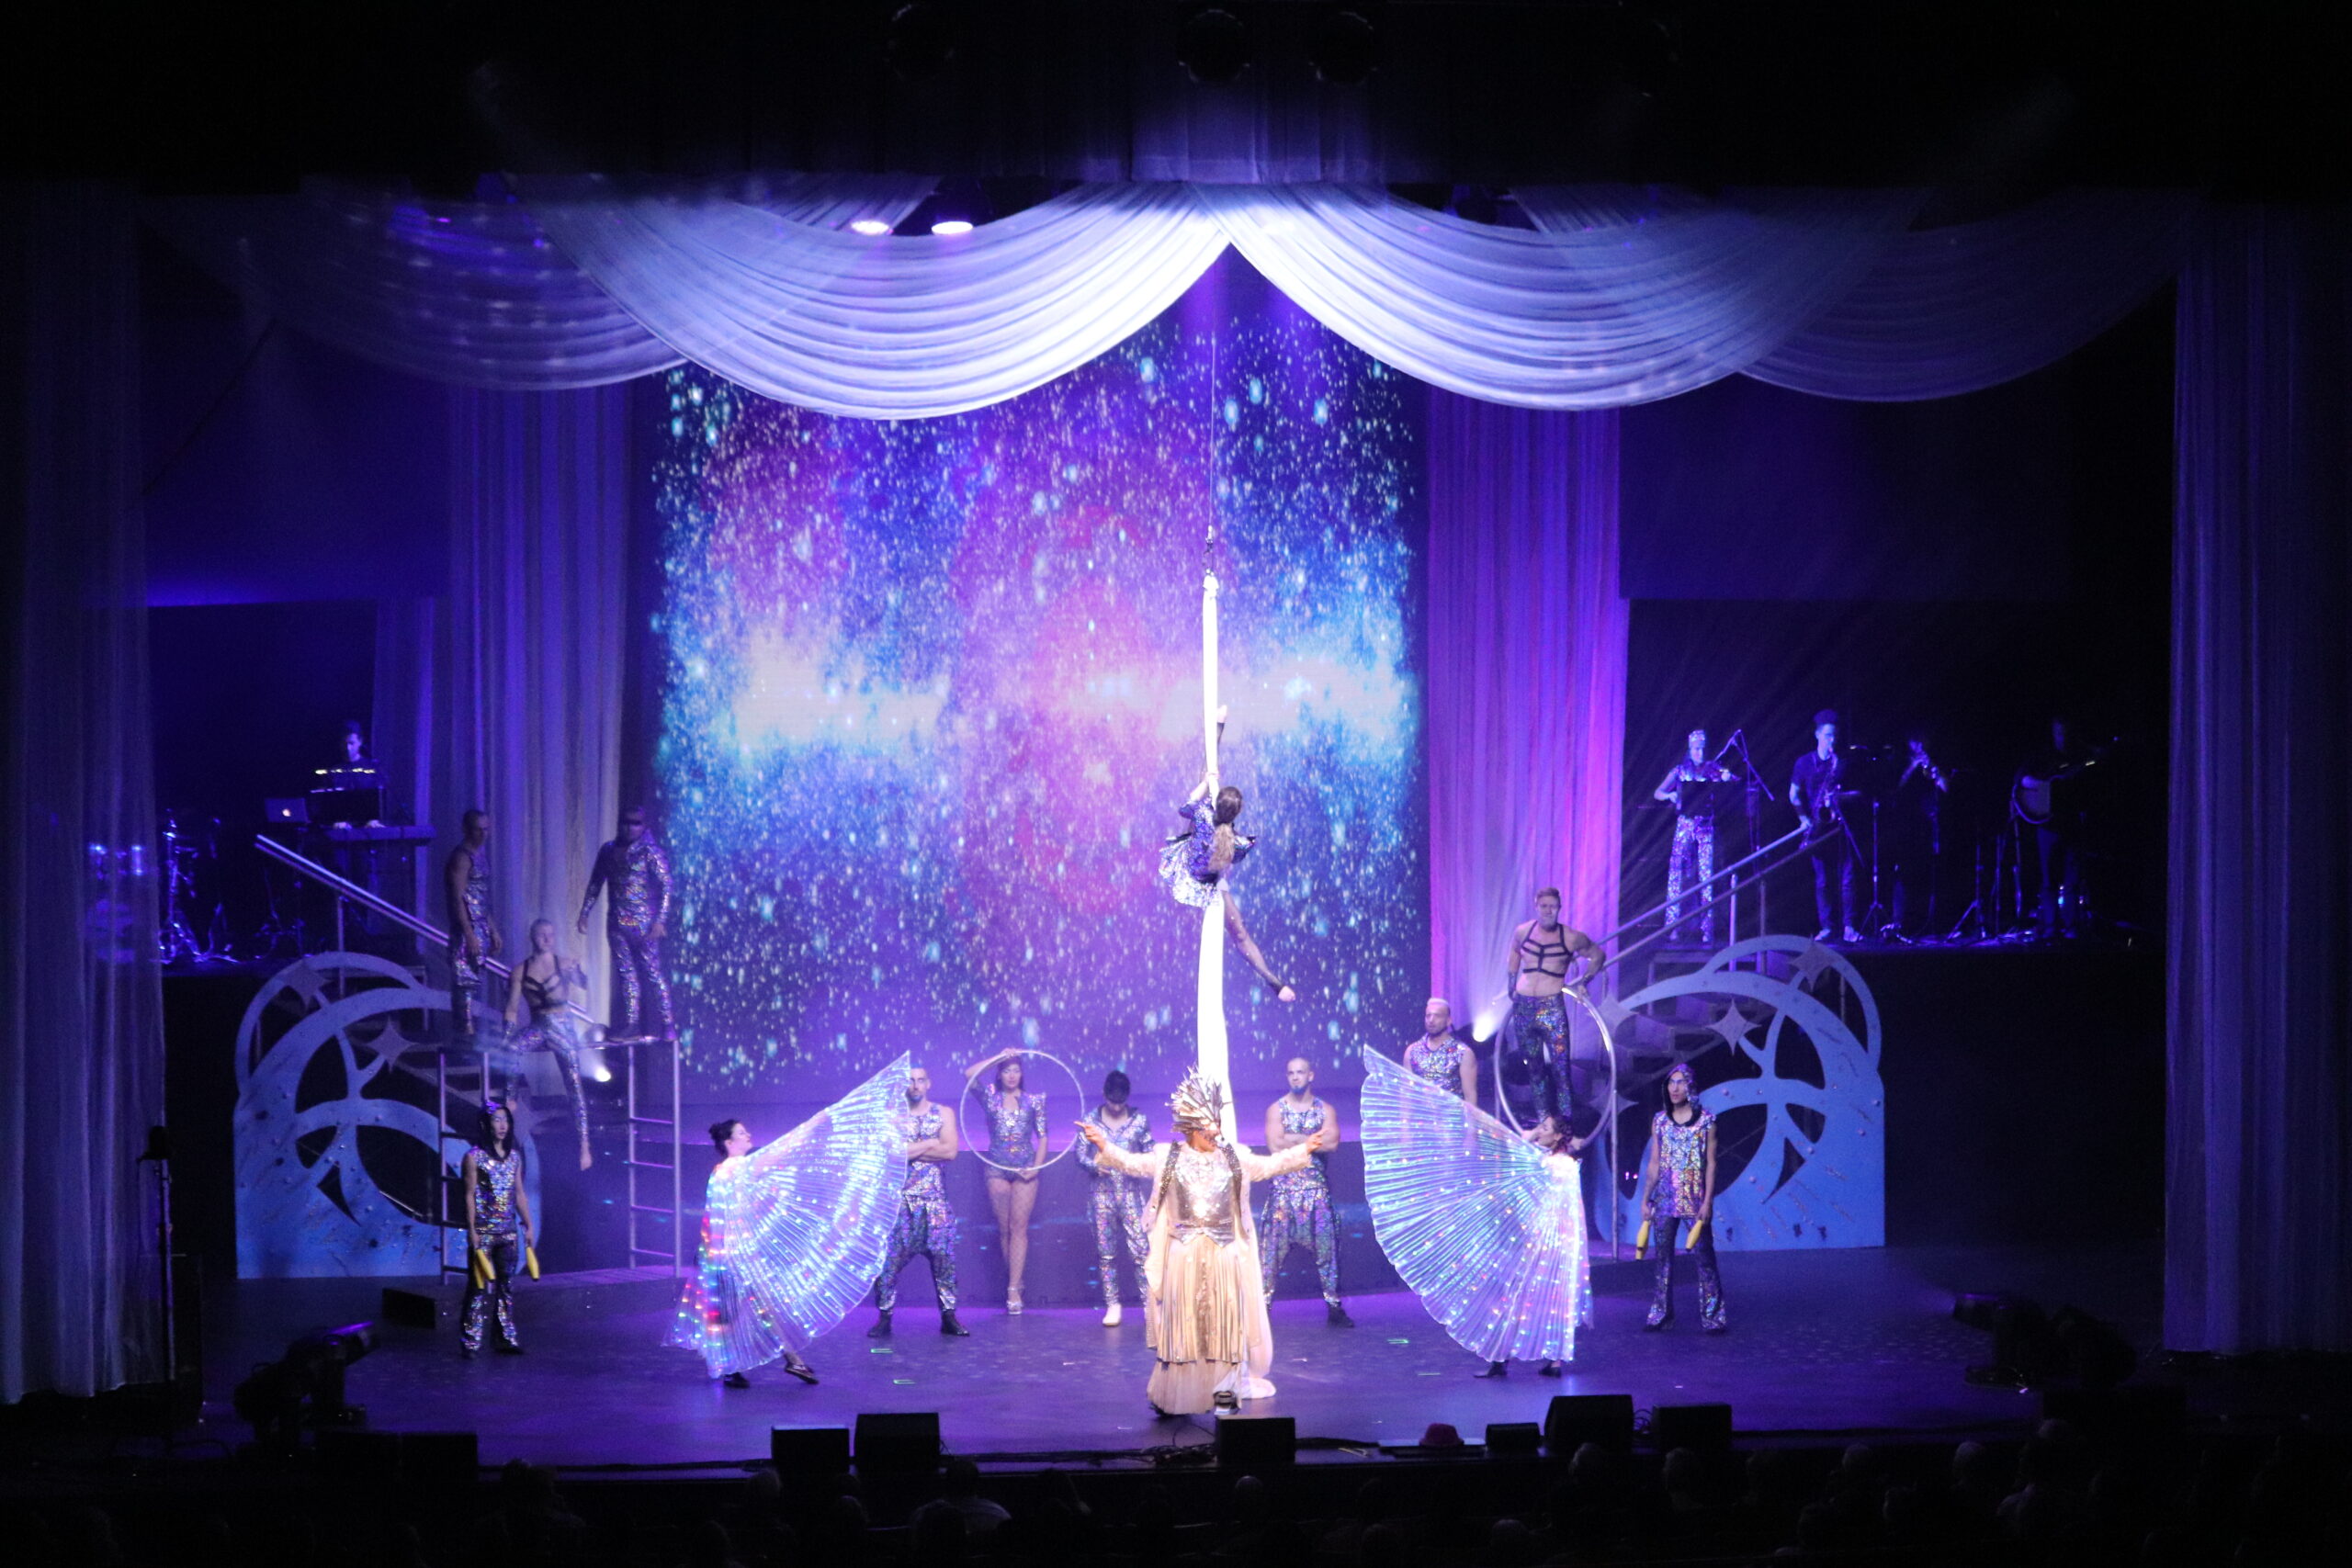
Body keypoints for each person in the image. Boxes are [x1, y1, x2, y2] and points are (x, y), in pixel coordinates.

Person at [1074, 1069, 1326, 1416]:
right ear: (1191, 1127)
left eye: (1217, 1124)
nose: (1216, 1132)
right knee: (1184, 1329)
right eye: (1208, 1126)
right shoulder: (1169, 1157)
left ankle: (1224, 1397)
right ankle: (1173, 1398)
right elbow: (1132, 1163)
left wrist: (1303, 1150)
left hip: (1224, 1254)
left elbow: (1268, 1166)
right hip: (1184, 1254)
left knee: (1224, 1328)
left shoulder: (1234, 1156)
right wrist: (1104, 1146)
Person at [671, 1057, 910, 1389]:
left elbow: (719, 1216)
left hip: (724, 1256)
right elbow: (787, 1150)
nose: (748, 1135)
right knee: (747, 1312)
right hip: (732, 1258)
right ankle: (769, 1363)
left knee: (746, 1312)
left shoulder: (720, 1172)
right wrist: (822, 1121)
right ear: (729, 1143)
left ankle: (771, 1363)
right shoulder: (738, 1168)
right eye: (742, 1133)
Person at [1356, 1048, 1592, 1380]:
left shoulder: (1559, 1165)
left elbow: (1547, 1192)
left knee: (1545, 1298)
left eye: (1545, 1127)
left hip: (1552, 1244)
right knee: (1514, 1297)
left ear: (1558, 1135)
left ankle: (1546, 1360)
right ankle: (1504, 1357)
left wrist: (1525, 1142)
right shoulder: (1546, 1160)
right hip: (1530, 1240)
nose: (1539, 1129)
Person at [1159, 705, 1298, 1002]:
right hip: (1204, 878)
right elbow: (1231, 854)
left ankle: (1218, 729)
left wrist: (1206, 782)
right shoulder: (1236, 843)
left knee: (1205, 770)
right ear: (1238, 813)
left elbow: (1188, 805)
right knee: (1241, 935)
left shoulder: (1203, 815)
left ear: (1217, 801)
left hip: (1194, 874)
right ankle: (1275, 983)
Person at [870, 1065, 970, 1337]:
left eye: (920, 1080)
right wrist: (929, 1143)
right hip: (900, 1202)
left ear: (928, 1084)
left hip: (935, 1201)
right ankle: (884, 1317)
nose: (915, 1085)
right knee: (888, 1262)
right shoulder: (891, 1117)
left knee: (944, 1260)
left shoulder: (943, 1113)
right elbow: (892, 1155)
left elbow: (950, 1152)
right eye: (911, 1080)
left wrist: (910, 1150)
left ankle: (949, 1316)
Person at [1260, 1057, 1352, 1326]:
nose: (1295, 1077)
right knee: (1270, 1255)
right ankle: (1262, 1309)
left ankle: (1334, 1306)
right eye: (1290, 1073)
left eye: (1300, 1072)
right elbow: (1275, 1145)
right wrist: (1310, 1140)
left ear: (1310, 1075)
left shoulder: (1325, 1109)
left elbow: (1332, 1143)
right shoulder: (1276, 1109)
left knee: (1327, 1250)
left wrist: (1293, 1139)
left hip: (1316, 1191)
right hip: (1283, 1192)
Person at [1637, 1063, 1725, 1333]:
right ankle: (1661, 1314)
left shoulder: (1706, 1122)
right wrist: (1646, 1198)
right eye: (1671, 1083)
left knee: (1704, 1257)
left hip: (1694, 1200)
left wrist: (1708, 1202)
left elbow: (1711, 1164)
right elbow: (1654, 1163)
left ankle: (1713, 1317)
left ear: (1691, 1086)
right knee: (1662, 1259)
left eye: (1680, 1082)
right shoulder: (1660, 1121)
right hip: (1664, 1198)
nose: (1674, 1088)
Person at [578, 806, 675, 1043]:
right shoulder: (608, 850)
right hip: (617, 923)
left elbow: (666, 885)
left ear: (644, 826)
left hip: (643, 925)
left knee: (653, 973)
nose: (630, 828)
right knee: (626, 975)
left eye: (636, 823)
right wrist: (585, 912)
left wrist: (660, 920)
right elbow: (595, 883)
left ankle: (668, 1023)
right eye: (626, 822)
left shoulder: (650, 852)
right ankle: (632, 1024)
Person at [503, 918, 594, 1171]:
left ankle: (584, 1145)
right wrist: (506, 1036)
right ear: (532, 937)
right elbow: (511, 1009)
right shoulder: (520, 970)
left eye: (551, 935)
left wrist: (577, 970)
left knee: (574, 1085)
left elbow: (585, 985)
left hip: (562, 1026)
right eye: (542, 934)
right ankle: (510, 1101)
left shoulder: (562, 963)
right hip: (539, 1025)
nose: (547, 939)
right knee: (512, 1049)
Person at [963, 1048, 1048, 1313]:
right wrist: (998, 1056)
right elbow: (968, 1074)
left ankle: (1012, 1289)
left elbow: (1043, 1136)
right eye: (1006, 1070)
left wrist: (1036, 1168)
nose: (1012, 1075)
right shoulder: (990, 1097)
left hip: (1025, 1169)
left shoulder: (1033, 1101)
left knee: (1019, 1227)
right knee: (1005, 1229)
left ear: (1022, 1074)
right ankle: (1015, 1280)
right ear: (999, 1073)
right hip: (997, 1168)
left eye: (1016, 1070)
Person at [1506, 889, 1600, 1120]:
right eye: (1544, 906)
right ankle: (1544, 1121)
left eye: (1553, 907)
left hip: (1552, 1008)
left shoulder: (1571, 937)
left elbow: (1598, 955)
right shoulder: (1523, 931)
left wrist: (1584, 982)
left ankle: (1565, 1124)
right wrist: (1511, 982)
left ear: (1559, 908)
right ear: (1536, 906)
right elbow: (1515, 952)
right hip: (1524, 1007)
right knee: (1534, 1069)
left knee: (1561, 1070)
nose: (1549, 911)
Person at [1075, 1069, 1153, 1325]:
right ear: (1104, 1095)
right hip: (1101, 1196)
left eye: (1121, 1102)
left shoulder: (1139, 1120)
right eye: (1112, 1101)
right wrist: (1093, 1166)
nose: (1117, 1107)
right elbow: (1079, 1154)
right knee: (1106, 1254)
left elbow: (1150, 1154)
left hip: (1131, 1195)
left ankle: (1149, 1305)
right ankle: (1112, 1305)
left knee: (1141, 1252)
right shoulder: (1091, 1121)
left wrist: (1136, 1166)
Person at [460, 1100, 534, 1358]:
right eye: (497, 1120)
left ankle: (505, 1338)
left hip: (508, 1231)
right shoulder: (474, 1157)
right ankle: (471, 1341)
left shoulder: (514, 1158)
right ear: (486, 1124)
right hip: (484, 1231)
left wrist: (528, 1224)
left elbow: (520, 1194)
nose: (502, 1125)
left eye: (506, 1120)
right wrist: (472, 1229)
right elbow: (469, 1195)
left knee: (507, 1286)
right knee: (478, 1286)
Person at [2018, 717, 2102, 939]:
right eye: (2059, 733)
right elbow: (2022, 780)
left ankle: (2072, 927)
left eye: (2067, 733)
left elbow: (2091, 773)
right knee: (2049, 879)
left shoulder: (2080, 756)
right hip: (2047, 824)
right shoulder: (2041, 756)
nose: (2063, 738)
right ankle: (2050, 927)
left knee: (2073, 878)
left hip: (2072, 821)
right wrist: (2045, 786)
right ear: (2053, 733)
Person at [1654, 730, 1739, 945]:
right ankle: (1673, 928)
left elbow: (1733, 779)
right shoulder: (1680, 770)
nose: (1699, 753)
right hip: (1685, 824)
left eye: (1702, 748)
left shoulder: (1713, 768)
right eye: (1695, 749)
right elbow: (1658, 792)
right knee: (1676, 874)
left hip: (1705, 825)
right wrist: (1670, 795)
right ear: (1689, 750)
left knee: (1706, 875)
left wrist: (1727, 777)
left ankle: (1707, 929)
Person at [1789, 711, 1861, 943]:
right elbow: (1793, 794)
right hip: (1817, 827)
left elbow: (1859, 794)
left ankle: (1849, 927)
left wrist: (1839, 798)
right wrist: (1803, 818)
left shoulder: (1842, 762)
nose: (1833, 740)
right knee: (1822, 880)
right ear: (1817, 735)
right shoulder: (1803, 763)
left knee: (1847, 878)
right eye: (1828, 735)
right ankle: (1827, 927)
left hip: (1840, 826)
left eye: (1835, 736)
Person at [445, 809, 501, 1043]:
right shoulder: (461, 858)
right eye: (478, 830)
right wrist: (468, 933)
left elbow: (480, 898)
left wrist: (492, 929)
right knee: (464, 980)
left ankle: (468, 1030)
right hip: (465, 928)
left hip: (480, 925)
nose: (483, 834)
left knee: (474, 979)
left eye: (486, 829)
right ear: (467, 830)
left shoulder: (479, 856)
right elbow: (458, 898)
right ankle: (464, 1031)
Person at [1888, 731, 1950, 940]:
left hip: (1927, 825)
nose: (1920, 746)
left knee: (1927, 873)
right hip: (1905, 825)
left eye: (1923, 742)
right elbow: (1895, 790)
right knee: (1904, 874)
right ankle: (1902, 922)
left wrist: (1934, 770)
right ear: (1910, 743)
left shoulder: (1932, 762)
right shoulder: (1899, 761)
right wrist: (1913, 766)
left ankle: (1929, 922)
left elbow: (1946, 788)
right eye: (1917, 742)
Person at [1405, 997, 1479, 1106]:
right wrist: (1404, 1116)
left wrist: (1470, 1117)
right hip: (1421, 1115)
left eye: (1437, 1016)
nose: (1431, 1020)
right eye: (1428, 1016)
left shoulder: (1463, 1053)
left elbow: (1470, 1096)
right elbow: (1407, 1093)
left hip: (1452, 1115)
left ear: (1448, 1021)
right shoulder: (1412, 1051)